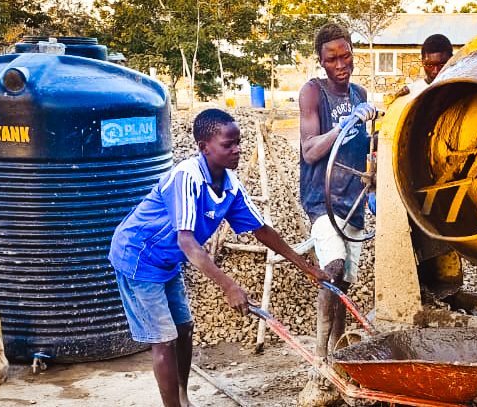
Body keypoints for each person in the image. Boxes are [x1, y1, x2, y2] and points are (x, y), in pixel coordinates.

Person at [108, 108, 331, 407]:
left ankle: (183, 398)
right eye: (228, 145)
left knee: (184, 328)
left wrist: (307, 268)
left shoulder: (230, 185)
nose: (237, 149)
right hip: (138, 256)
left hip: (167, 260)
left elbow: (262, 230)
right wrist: (229, 286)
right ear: (204, 147)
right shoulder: (187, 177)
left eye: (238, 142)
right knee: (164, 339)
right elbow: (186, 241)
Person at [297, 22, 377, 405]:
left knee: (343, 282)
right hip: (322, 200)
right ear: (321, 60)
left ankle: (339, 358)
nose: (341, 65)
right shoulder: (313, 93)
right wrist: (343, 126)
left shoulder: (360, 93)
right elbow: (310, 150)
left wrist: (372, 189)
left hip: (353, 202)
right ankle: (319, 361)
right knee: (332, 267)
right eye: (332, 59)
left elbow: (368, 150)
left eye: (346, 56)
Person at [392, 33, 453, 100]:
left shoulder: (460, 90)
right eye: (429, 65)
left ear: (452, 60)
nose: (435, 71)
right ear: (422, 62)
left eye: (442, 65)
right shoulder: (411, 93)